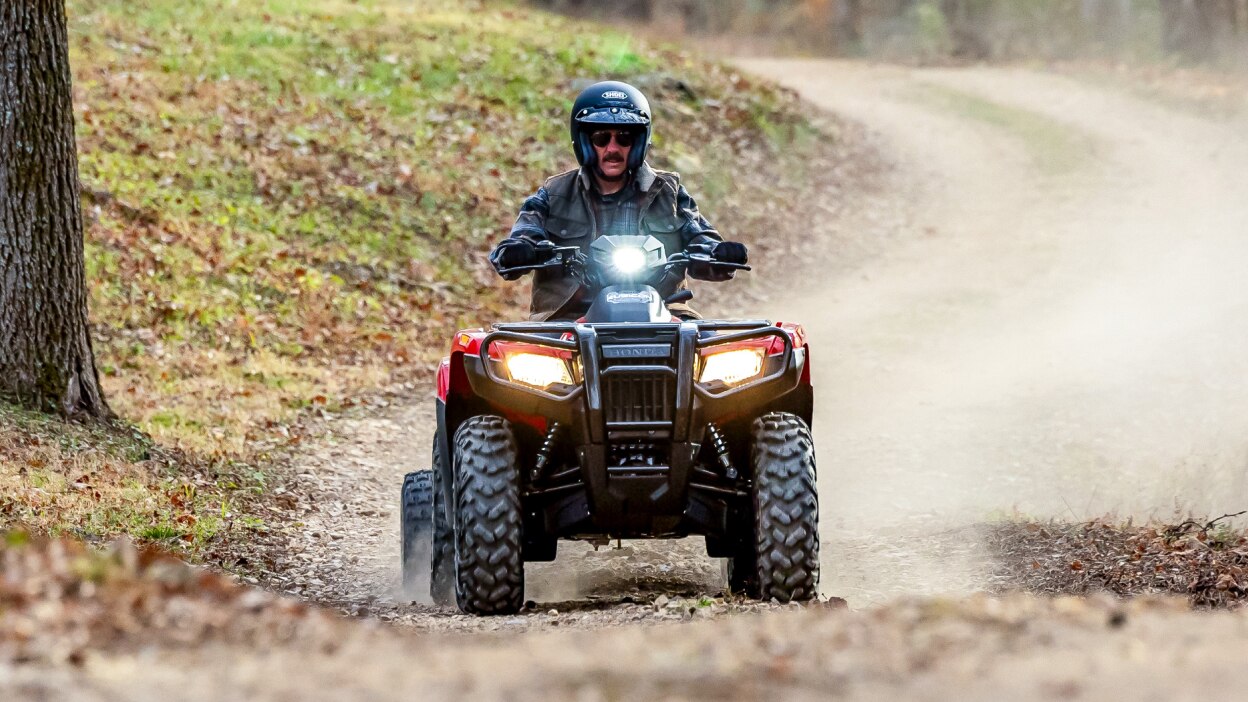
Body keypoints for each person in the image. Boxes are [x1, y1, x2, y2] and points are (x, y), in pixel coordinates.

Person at [489, 80, 749, 321]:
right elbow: (522, 238)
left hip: (663, 310)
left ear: (639, 142)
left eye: (624, 138)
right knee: (512, 363)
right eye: (601, 138)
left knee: (713, 358)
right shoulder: (554, 193)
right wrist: (518, 252)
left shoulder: (668, 192)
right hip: (569, 316)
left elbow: (701, 240)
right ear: (584, 142)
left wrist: (719, 253)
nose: (612, 149)